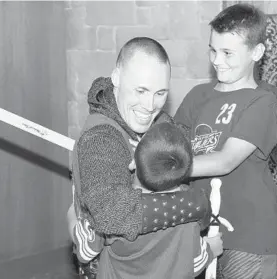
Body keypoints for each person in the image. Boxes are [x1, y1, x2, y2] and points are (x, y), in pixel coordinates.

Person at [67, 37, 212, 278]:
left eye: (160, 93)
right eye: (141, 90)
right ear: (116, 78)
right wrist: (195, 204)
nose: (149, 105)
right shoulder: (101, 137)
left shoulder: (161, 122)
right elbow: (109, 213)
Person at [174, 4, 277, 279]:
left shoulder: (263, 103)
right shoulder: (197, 96)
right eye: (212, 49)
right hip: (197, 231)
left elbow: (225, 160)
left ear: (256, 52)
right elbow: (171, 144)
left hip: (248, 237)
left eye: (227, 53)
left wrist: (164, 167)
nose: (217, 60)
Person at [74, 121, 223, 278]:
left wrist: (73, 215)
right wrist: (211, 249)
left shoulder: (118, 211)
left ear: (132, 164)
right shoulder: (190, 213)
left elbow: (85, 252)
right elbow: (193, 263)